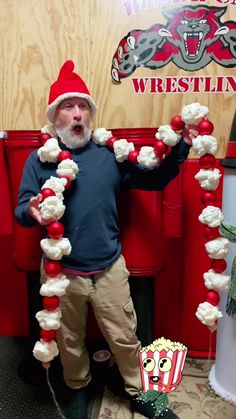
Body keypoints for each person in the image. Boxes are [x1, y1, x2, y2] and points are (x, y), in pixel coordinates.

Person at [15, 60, 195, 419]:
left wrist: (180, 149)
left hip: (109, 266)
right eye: (69, 107)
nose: (78, 114)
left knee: (126, 338)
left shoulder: (109, 153)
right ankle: (77, 388)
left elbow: (154, 179)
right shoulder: (40, 160)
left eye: (83, 107)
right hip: (61, 272)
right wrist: (31, 209)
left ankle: (139, 391)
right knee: (69, 341)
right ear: (56, 118)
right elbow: (22, 208)